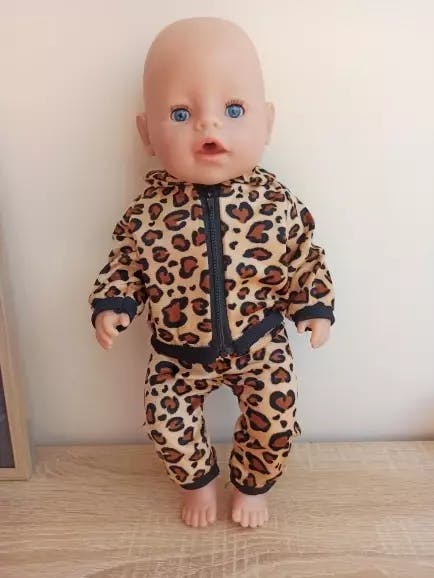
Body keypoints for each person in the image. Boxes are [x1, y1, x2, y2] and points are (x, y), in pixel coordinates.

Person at [88, 17, 335, 528]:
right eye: (181, 113)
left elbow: (304, 255)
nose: (209, 126)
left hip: (259, 344)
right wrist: (114, 304)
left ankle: (252, 486)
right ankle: (197, 482)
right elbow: (126, 263)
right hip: (176, 354)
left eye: (233, 109)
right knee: (166, 421)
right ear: (147, 133)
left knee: (275, 420)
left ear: (267, 122)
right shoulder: (148, 212)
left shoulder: (275, 202)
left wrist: (313, 305)